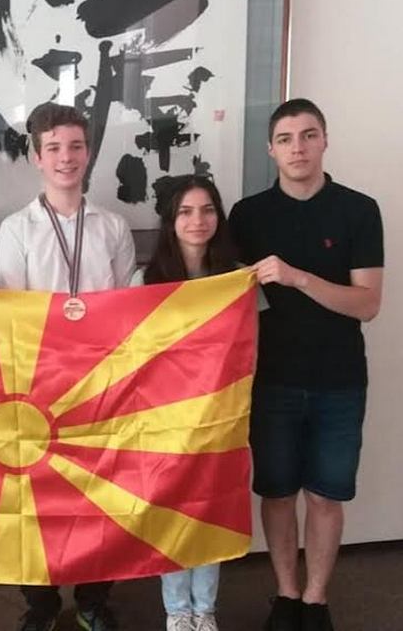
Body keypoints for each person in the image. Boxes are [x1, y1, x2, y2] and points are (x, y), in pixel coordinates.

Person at [229, 99, 384, 631]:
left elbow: (368, 303)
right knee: (276, 493)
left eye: (308, 135)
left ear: (325, 141)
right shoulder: (248, 215)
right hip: (268, 380)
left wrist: (298, 278)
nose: (298, 148)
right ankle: (286, 594)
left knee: (325, 495)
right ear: (270, 149)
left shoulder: (359, 210)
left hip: (339, 381)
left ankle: (316, 600)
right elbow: (226, 297)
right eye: (286, 138)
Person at [0, 102, 136, 631]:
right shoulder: (17, 229)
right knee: (35, 498)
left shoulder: (113, 227)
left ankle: (95, 598)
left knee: (100, 494)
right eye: (53, 147)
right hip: (37, 385)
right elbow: (11, 315)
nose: (66, 157)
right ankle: (42, 602)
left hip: (100, 384)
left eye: (76, 146)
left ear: (89, 152)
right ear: (36, 157)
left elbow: (126, 309)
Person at [134, 174, 244, 631]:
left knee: (210, 510)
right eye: (185, 211)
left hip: (218, 416)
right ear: (170, 220)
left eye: (207, 210)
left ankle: (206, 610)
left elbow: (249, 345)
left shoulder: (236, 278)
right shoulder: (146, 279)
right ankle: (178, 611)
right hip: (164, 417)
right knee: (172, 513)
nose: (198, 221)